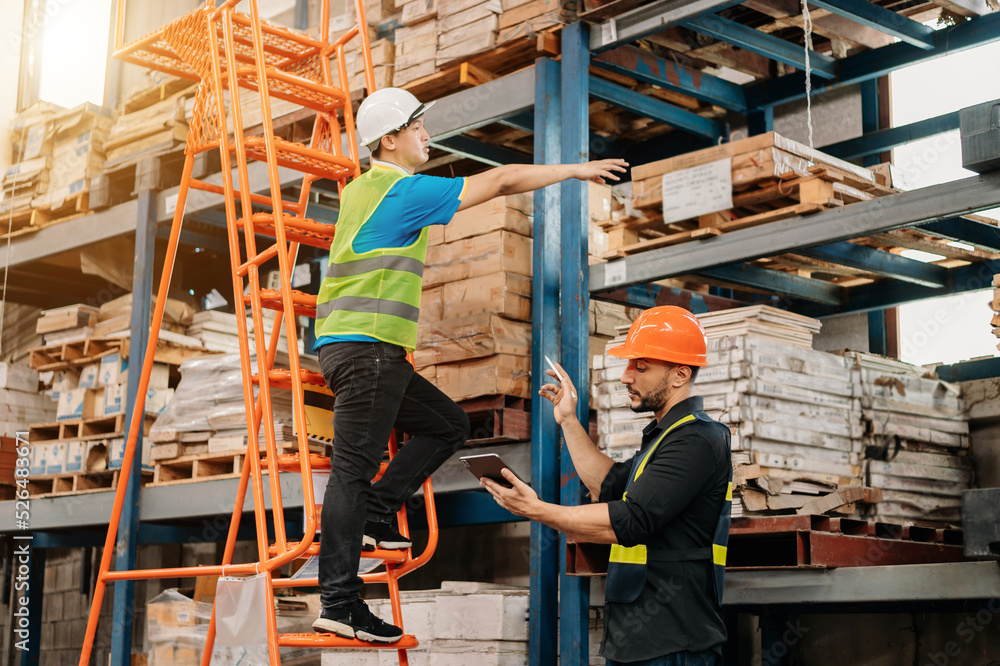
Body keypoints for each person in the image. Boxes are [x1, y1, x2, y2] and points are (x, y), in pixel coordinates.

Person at [311, 86, 628, 642]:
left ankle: (381, 513)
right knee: (350, 471)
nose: (426, 136)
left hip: (360, 351)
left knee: (449, 425)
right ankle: (339, 601)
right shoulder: (399, 189)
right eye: (417, 128)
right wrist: (576, 170)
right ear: (389, 140)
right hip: (368, 352)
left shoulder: (360, 190)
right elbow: (502, 180)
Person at [482, 306, 732, 665]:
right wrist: (567, 419)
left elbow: (631, 520)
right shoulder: (666, 438)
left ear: (679, 374)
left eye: (640, 367)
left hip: (674, 641)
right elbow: (609, 484)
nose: (626, 376)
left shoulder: (698, 440)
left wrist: (536, 510)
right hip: (639, 639)